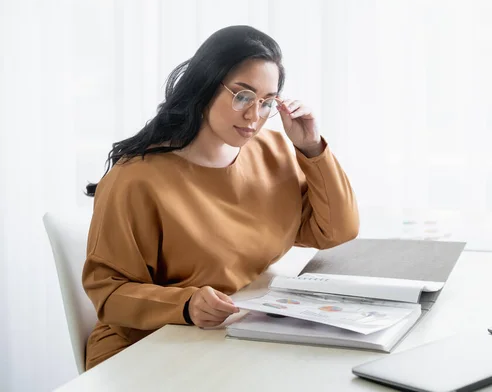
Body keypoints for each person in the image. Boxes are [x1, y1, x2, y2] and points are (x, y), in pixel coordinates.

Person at [81, 25, 359, 371]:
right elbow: (108, 294)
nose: (253, 116)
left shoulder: (273, 151)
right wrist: (185, 304)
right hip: (146, 348)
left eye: (266, 102)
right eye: (242, 96)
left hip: (231, 336)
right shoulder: (136, 178)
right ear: (205, 87)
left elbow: (335, 231)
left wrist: (311, 148)